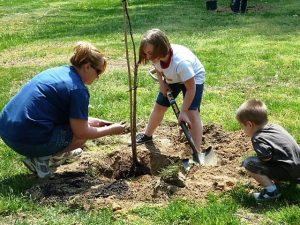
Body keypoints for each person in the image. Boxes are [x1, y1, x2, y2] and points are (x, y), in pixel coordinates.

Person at [0, 41, 125, 178]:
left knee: (80, 128)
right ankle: (42, 158)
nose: (98, 77)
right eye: (99, 71)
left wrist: (99, 122)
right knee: (80, 138)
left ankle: (50, 152)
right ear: (87, 67)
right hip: (26, 139)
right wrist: (112, 130)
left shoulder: (60, 72)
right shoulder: (78, 90)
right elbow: (82, 132)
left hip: (7, 131)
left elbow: (74, 118)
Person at [136, 28, 206, 157]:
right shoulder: (156, 58)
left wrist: (183, 112)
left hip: (193, 78)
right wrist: (162, 84)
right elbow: (158, 69)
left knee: (192, 112)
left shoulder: (181, 63)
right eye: (146, 53)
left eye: (150, 53)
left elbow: (191, 89)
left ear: (160, 49)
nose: (148, 57)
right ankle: (147, 135)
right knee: (160, 106)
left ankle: (197, 151)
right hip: (172, 77)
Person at [236, 99, 300, 201]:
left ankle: (271, 191)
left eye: (242, 126)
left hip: (288, 170)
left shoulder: (258, 138)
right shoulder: (276, 127)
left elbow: (266, 158)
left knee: (249, 163)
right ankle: (294, 177)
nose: (242, 130)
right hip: (298, 165)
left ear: (249, 124)